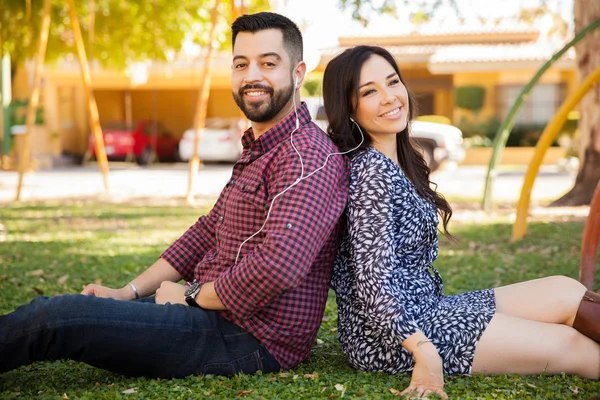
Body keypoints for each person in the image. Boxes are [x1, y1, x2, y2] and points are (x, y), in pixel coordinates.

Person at [0, 12, 349, 378]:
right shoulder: (263, 147)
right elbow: (207, 230)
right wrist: (127, 292)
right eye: (241, 64)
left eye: (268, 63)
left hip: (247, 338)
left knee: (58, 318)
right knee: (80, 311)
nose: (251, 76)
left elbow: (277, 267)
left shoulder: (306, 156)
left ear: (297, 73)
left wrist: (190, 295)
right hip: (210, 313)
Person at [323, 45, 600, 399]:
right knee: (570, 345)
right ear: (349, 107)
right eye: (369, 92)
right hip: (393, 337)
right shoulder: (371, 173)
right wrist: (423, 350)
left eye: (392, 82)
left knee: (564, 290)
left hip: (430, 308)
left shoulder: (395, 160)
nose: (390, 97)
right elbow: (372, 285)